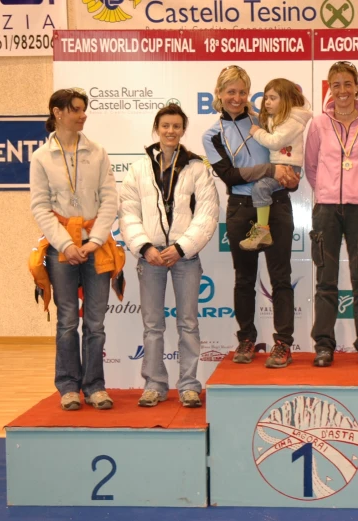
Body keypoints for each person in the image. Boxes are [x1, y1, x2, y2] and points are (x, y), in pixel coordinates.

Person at [119, 104, 219, 408]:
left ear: (182, 130)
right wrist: (144, 247)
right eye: (165, 126)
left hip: (184, 258)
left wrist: (181, 247)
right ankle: (154, 384)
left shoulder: (197, 168)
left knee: (188, 323)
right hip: (149, 258)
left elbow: (207, 214)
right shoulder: (138, 169)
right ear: (157, 128)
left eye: (176, 126)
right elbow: (127, 212)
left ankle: (189, 384)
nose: (171, 131)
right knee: (153, 325)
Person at [202, 65, 300, 369]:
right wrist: (270, 171)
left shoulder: (266, 122)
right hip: (241, 207)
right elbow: (230, 176)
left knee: (280, 278)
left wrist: (292, 175)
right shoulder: (212, 134)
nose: (237, 97)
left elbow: (289, 157)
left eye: (242, 91)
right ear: (218, 94)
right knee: (244, 279)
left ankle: (282, 342)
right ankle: (246, 338)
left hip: (276, 202)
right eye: (230, 91)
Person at [30, 88, 118, 411]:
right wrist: (66, 244)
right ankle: (68, 387)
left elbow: (110, 199)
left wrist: (94, 241)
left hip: (96, 244)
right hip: (60, 248)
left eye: (84, 109)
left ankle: (95, 386)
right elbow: (39, 207)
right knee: (67, 320)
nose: (83, 115)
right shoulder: (41, 157)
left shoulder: (98, 152)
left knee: (95, 322)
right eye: (77, 109)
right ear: (58, 112)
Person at [304, 61, 358, 368]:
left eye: (347, 83)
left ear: (356, 87)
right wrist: (327, 192)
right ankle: (324, 345)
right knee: (325, 281)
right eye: (335, 84)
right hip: (326, 210)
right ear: (329, 87)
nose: (342, 90)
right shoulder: (318, 125)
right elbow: (311, 167)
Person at [241, 78, 312, 251]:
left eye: (273, 98)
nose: (267, 102)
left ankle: (262, 230)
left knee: (260, 188)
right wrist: (251, 114)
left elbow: (274, 141)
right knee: (260, 188)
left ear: (286, 100)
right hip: (279, 164)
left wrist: (257, 132)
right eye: (266, 98)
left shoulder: (293, 121)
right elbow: (269, 125)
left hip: (287, 167)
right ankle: (262, 229)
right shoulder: (280, 118)